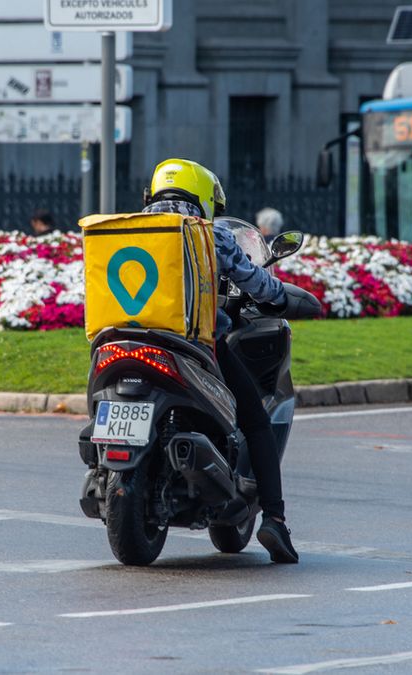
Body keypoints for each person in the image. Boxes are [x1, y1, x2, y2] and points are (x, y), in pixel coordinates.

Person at [141, 158, 298, 564]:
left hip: (123, 339)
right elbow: (255, 281)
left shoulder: (126, 229)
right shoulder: (210, 234)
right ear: (206, 197)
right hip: (193, 342)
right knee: (257, 422)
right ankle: (276, 519)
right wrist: (281, 297)